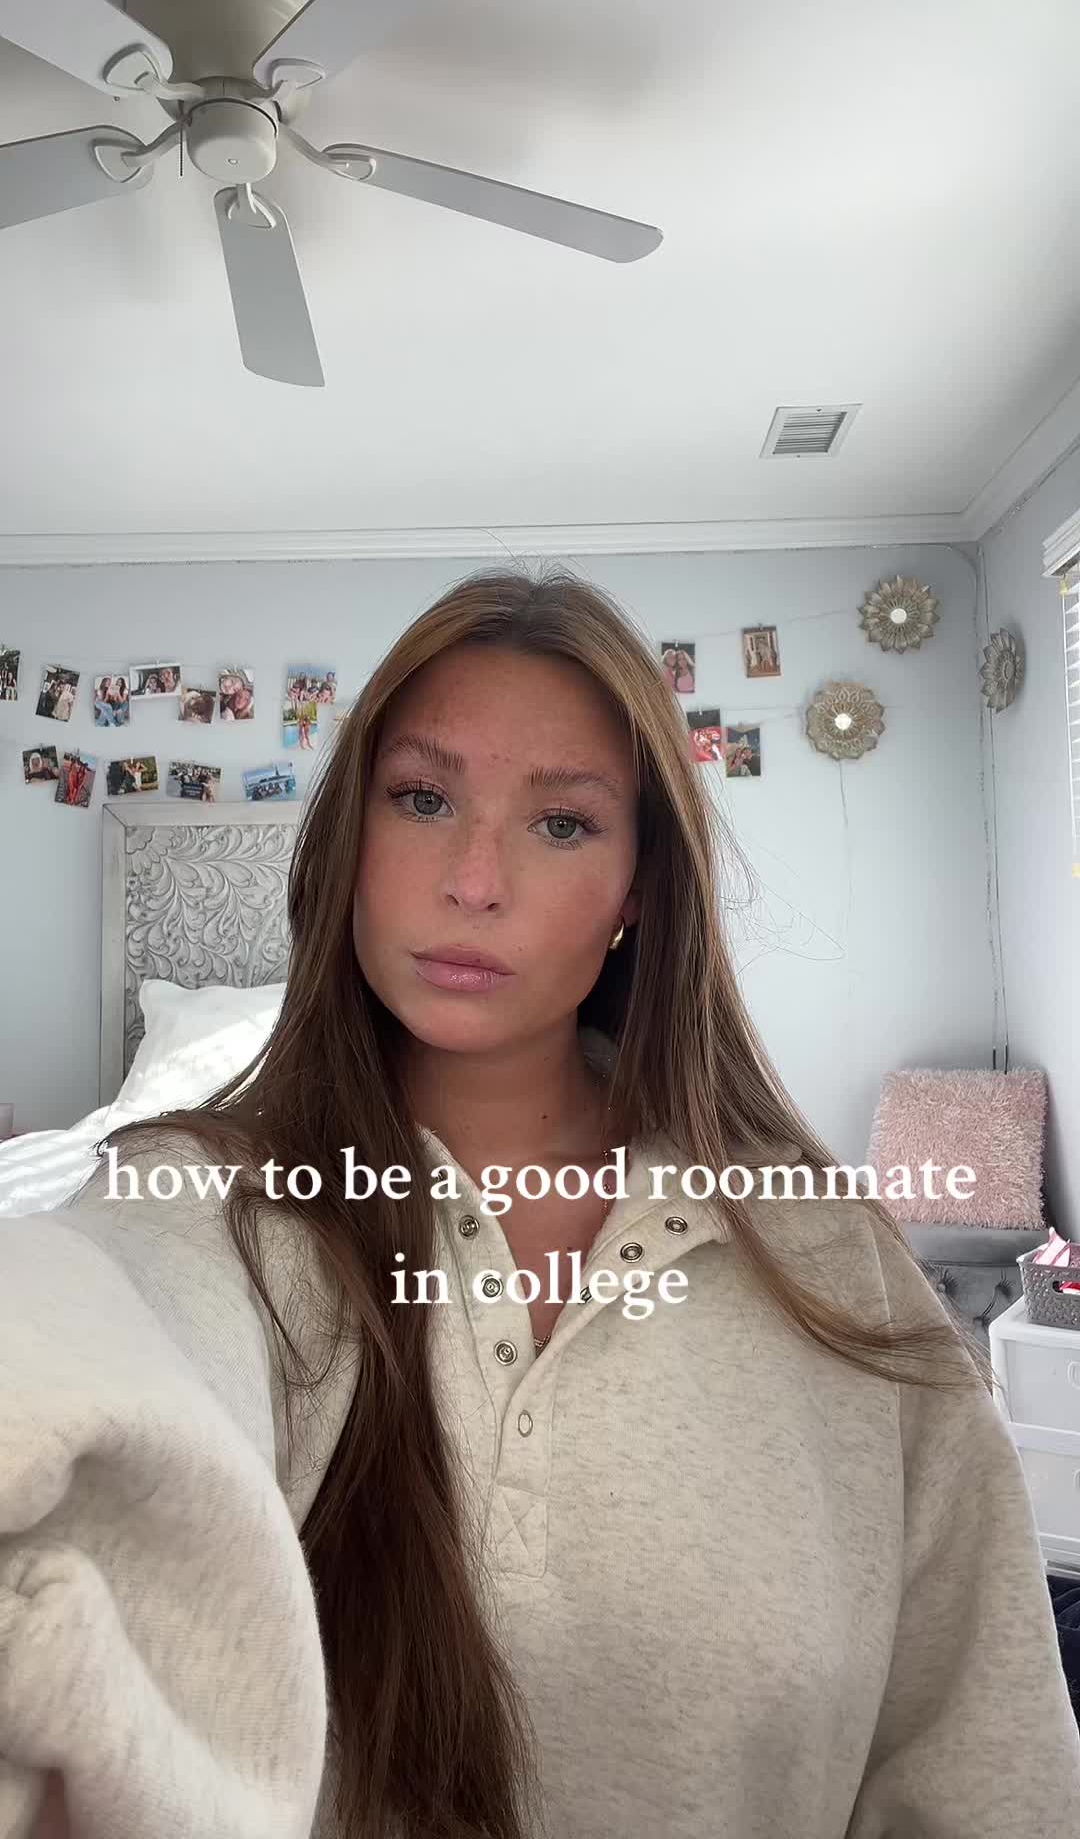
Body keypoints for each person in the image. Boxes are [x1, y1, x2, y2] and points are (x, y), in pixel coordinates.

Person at [2, 566, 1078, 1839]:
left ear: (638, 890)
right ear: (350, 843)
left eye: (561, 824)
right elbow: (91, 1333)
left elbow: (985, 1762)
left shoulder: (831, 1256)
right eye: (422, 799)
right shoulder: (202, 1203)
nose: (475, 881)